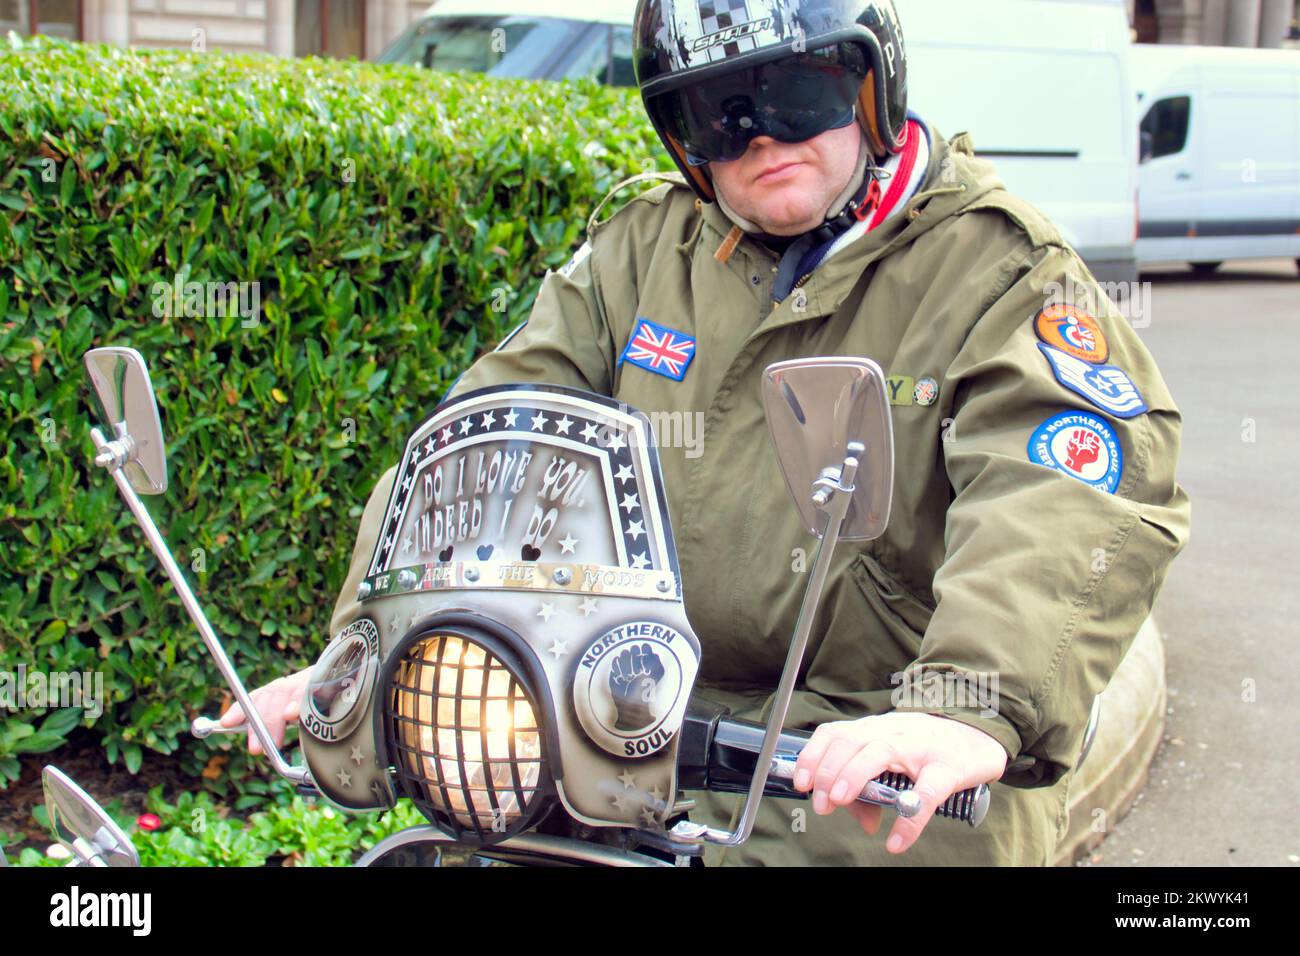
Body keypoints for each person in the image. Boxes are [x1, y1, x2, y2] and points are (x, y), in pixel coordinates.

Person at [223, 0, 1190, 865]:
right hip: (623, 718)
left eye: (797, 95)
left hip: (864, 750)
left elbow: (1070, 482)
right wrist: (369, 653)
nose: (763, 138)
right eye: (719, 116)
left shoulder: (998, 269)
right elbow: (491, 435)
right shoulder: (646, 247)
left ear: (870, 86)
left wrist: (969, 703)